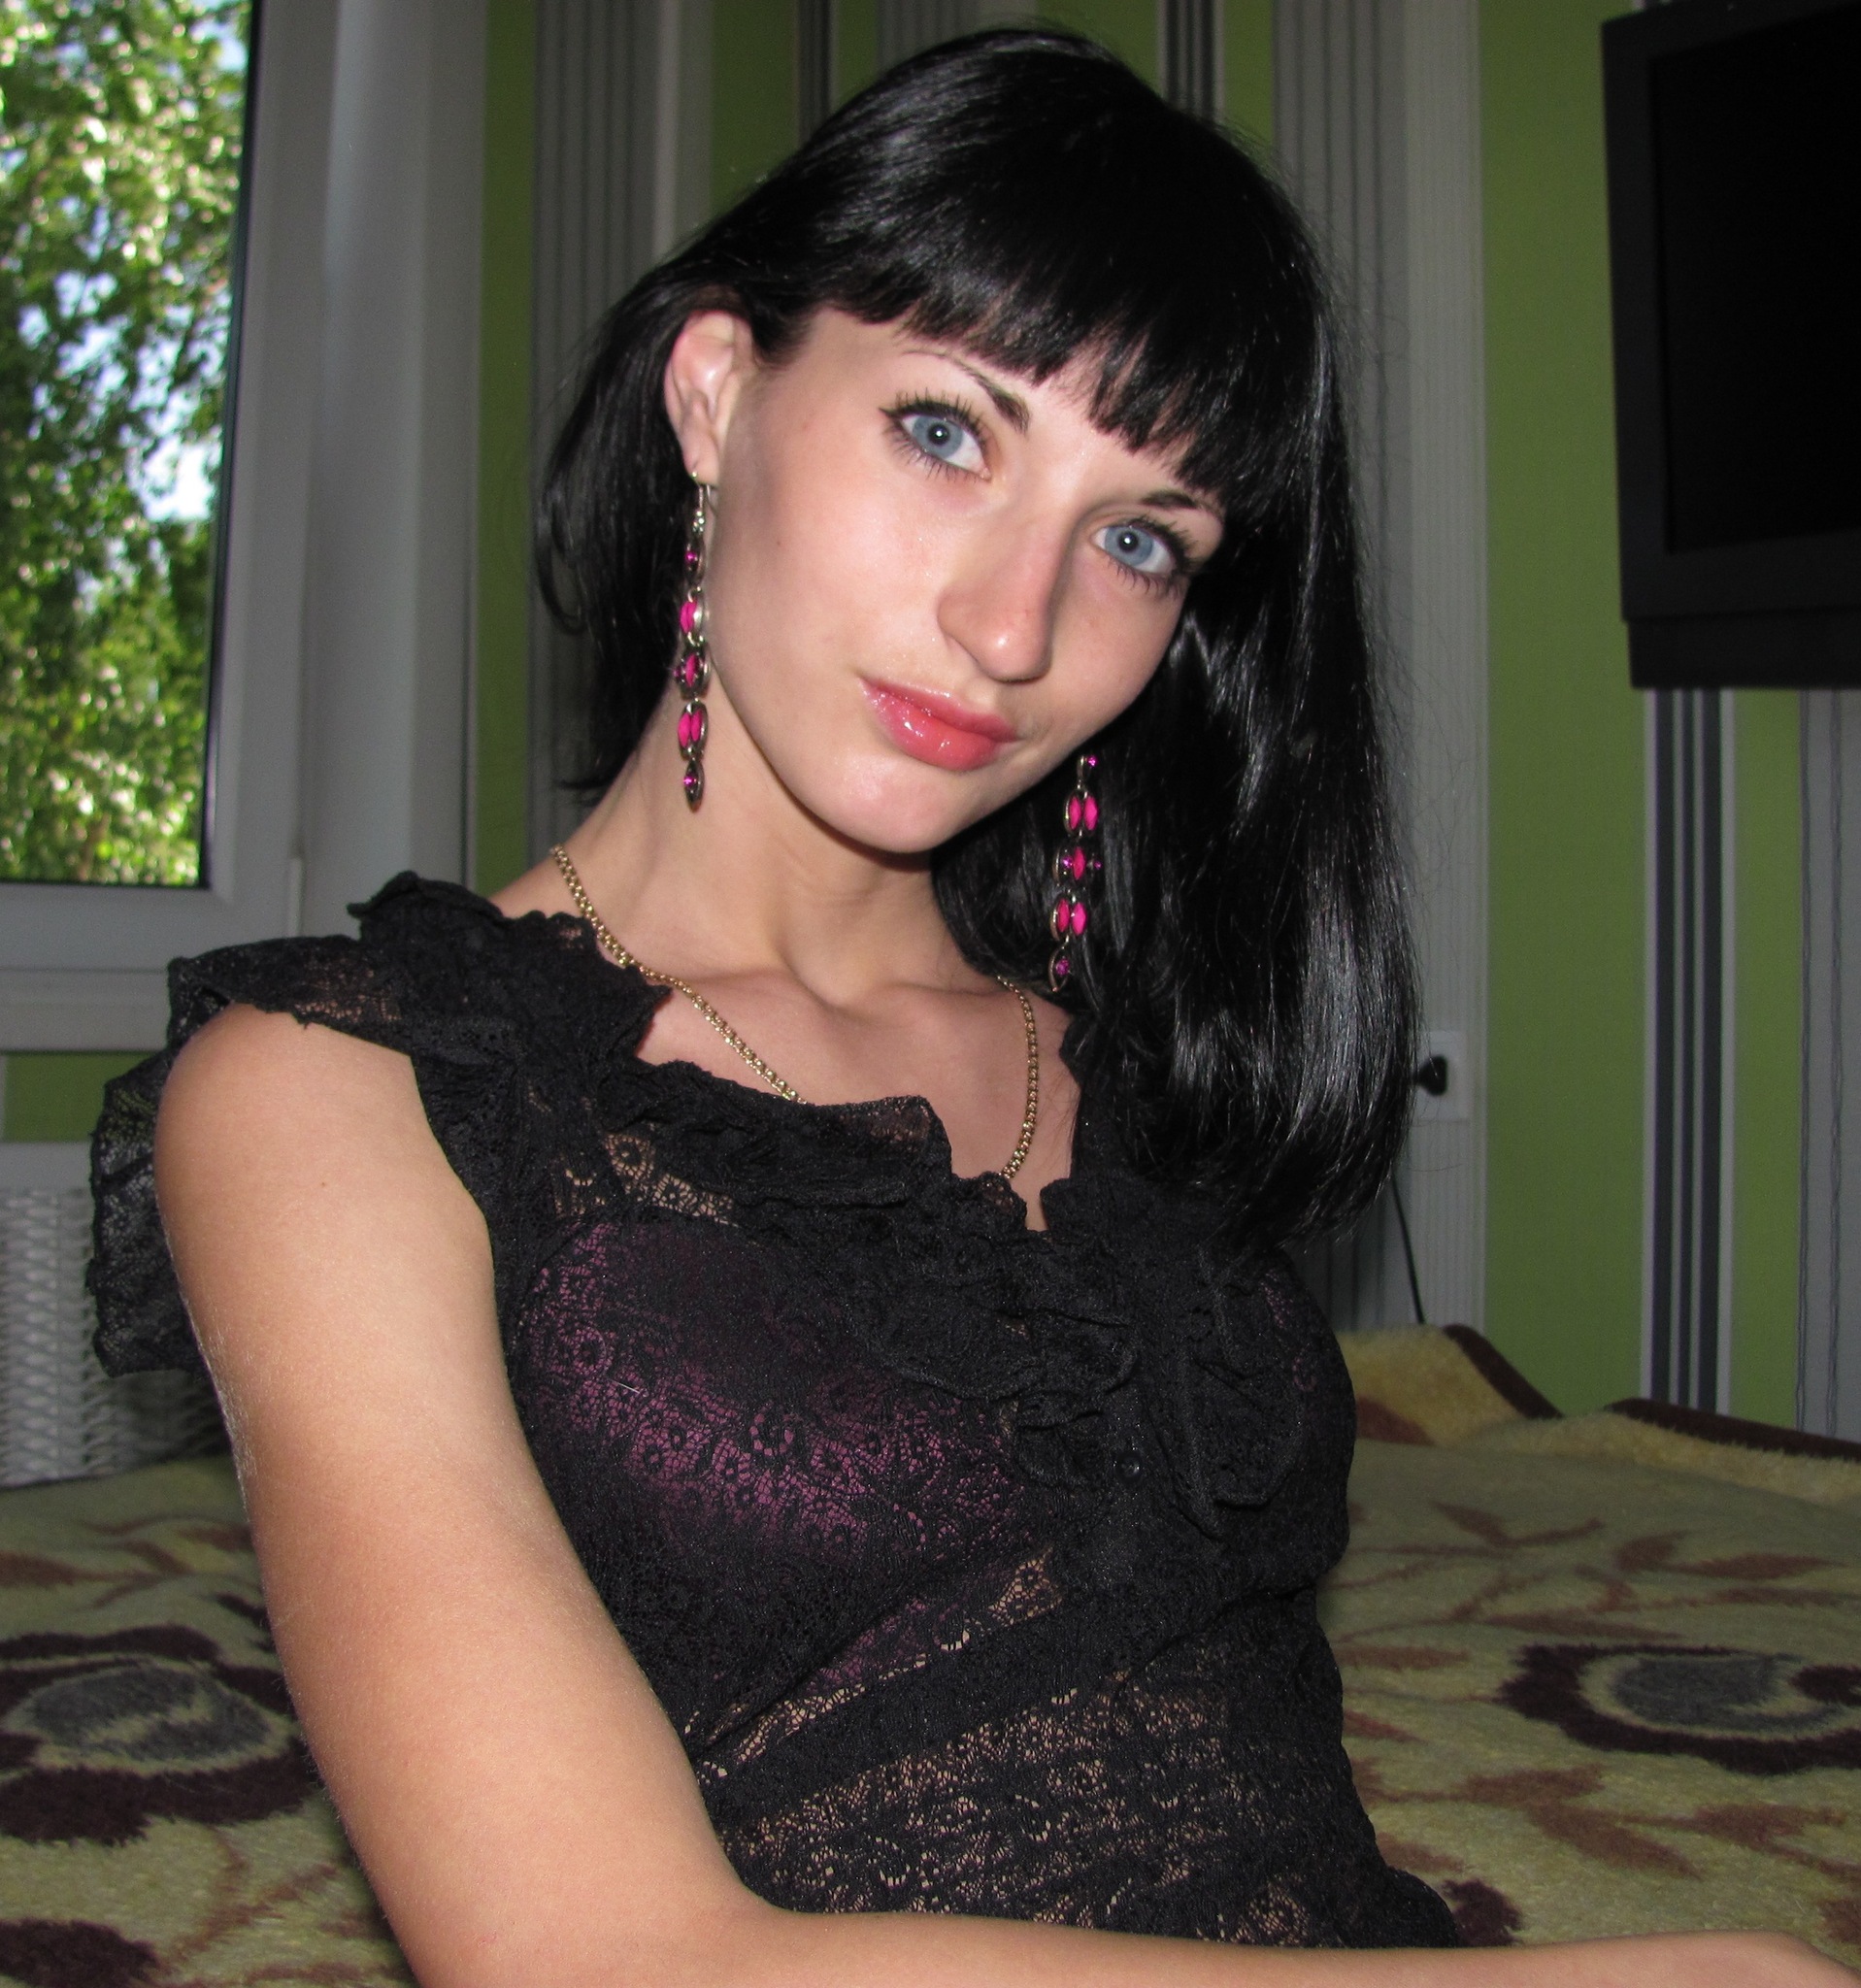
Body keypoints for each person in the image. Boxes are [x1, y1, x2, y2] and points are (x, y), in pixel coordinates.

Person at [91, 30, 1849, 1988]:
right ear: (714, 391)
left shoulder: (1136, 1064)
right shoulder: (344, 1088)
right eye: (945, 433)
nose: (1013, 629)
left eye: (1136, 539)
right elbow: (599, 1956)